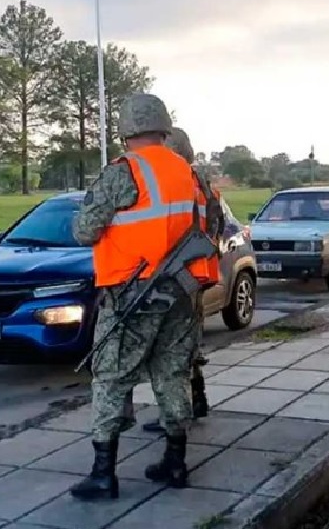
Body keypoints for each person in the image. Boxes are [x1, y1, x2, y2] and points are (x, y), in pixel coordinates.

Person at [69, 93, 214, 500]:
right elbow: (208, 223)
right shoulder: (189, 173)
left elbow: (84, 232)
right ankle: (175, 462)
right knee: (173, 374)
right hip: (182, 292)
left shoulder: (124, 171)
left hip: (133, 294)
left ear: (126, 129)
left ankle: (103, 474)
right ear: (163, 127)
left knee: (111, 377)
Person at [140, 126, 224, 435]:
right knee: (189, 343)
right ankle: (197, 400)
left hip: (178, 276)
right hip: (198, 274)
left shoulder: (177, 183)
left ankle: (175, 414)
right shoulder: (203, 184)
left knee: (170, 350)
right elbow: (216, 226)